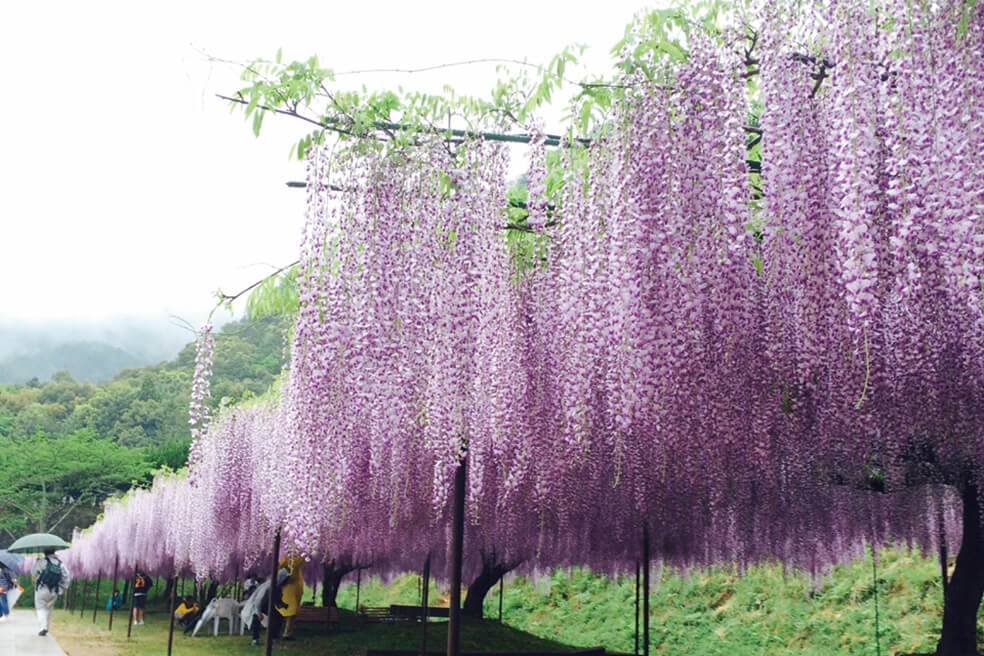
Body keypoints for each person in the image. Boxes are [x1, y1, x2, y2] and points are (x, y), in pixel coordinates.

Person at [241, 568, 288, 647]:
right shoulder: (268, 586)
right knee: (256, 618)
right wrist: (259, 612)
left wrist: (283, 604)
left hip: (267, 605)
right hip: (256, 605)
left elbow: (276, 599)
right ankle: (255, 639)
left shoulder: (278, 587)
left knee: (278, 617)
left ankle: (274, 637)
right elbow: (258, 601)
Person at [31, 547, 71, 637]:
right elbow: (67, 576)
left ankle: (43, 628)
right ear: (54, 553)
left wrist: (36, 563)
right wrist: (62, 587)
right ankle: (46, 627)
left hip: (42, 589)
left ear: (45, 553)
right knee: (49, 609)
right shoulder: (60, 563)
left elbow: (33, 573)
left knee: (40, 608)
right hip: (54, 590)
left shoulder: (41, 561)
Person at [277, 556, 304, 641]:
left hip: (293, 590)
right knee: (290, 612)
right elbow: (301, 560)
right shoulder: (288, 559)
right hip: (290, 591)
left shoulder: (291, 560)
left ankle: (287, 633)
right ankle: (286, 633)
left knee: (292, 613)